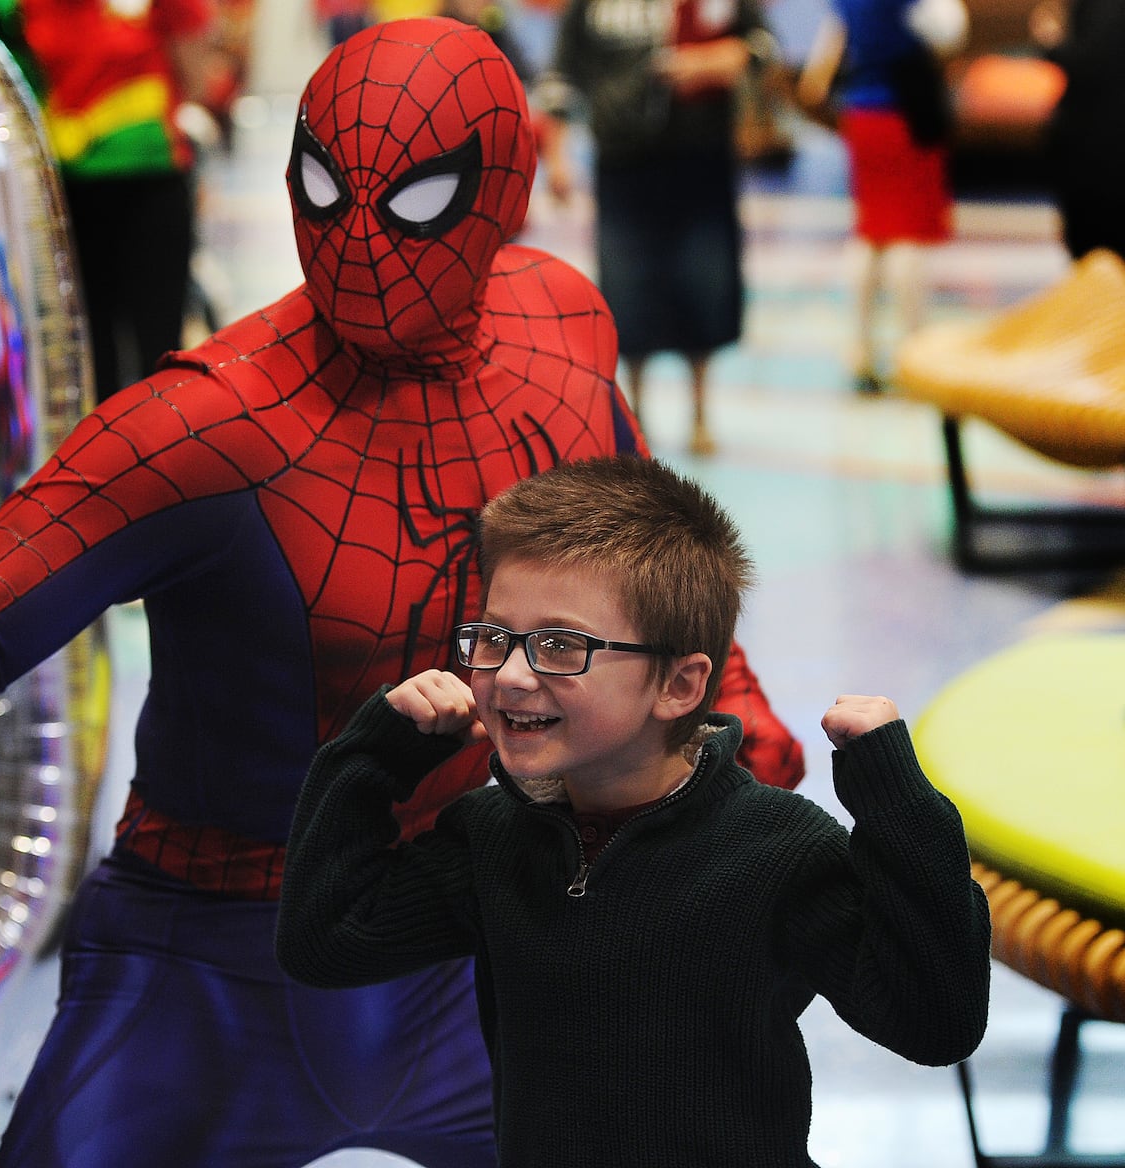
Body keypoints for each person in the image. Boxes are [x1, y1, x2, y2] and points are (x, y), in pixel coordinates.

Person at [0, 19, 804, 1167]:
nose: (356, 245)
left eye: (412, 203)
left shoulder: (558, 330)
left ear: (502, 191)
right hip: (216, 956)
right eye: (324, 190)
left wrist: (734, 695)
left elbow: (634, 520)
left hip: (485, 928)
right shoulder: (207, 425)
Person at [277, 454, 993, 1167]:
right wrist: (374, 756)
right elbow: (328, 938)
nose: (512, 675)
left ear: (679, 686)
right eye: (494, 638)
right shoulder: (493, 836)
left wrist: (898, 806)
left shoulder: (777, 850)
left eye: (561, 645)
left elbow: (932, 1022)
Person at [540, 0, 778, 455]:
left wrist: (719, 59)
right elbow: (561, 76)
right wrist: (556, 154)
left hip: (701, 158)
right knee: (628, 293)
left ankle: (701, 411)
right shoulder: (588, 7)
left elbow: (765, 47)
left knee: (705, 287)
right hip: (622, 162)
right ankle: (636, 415)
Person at [0, 0, 230, 402]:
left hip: (122, 180)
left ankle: (135, 451)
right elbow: (195, 67)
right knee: (121, 347)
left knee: (123, 345)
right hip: (94, 183)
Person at [796, 0, 967, 395]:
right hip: (907, 113)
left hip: (862, 113)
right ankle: (914, 354)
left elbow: (824, 62)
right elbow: (949, 32)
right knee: (909, 235)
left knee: (871, 232)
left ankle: (859, 352)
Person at [1033, 0, 1125, 262]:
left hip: (1101, 144)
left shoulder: (1106, 7)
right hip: (1100, 141)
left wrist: (1051, 41)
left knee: (1097, 241)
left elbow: (1091, 62)